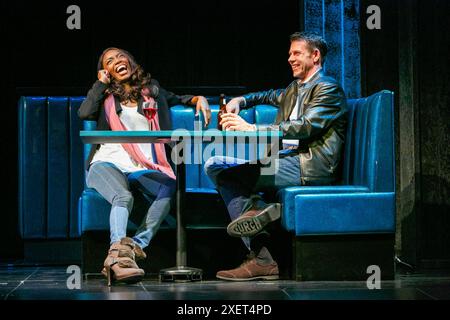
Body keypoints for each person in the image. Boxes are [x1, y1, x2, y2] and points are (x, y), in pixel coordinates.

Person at [204, 32, 347, 281]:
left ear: (315, 56)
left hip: (309, 166)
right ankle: (257, 213)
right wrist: (242, 100)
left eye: (296, 53)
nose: (290, 58)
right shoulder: (294, 89)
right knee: (215, 165)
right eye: (290, 53)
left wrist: (252, 128)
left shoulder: (327, 88)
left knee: (226, 173)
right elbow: (267, 95)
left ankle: (260, 253)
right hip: (286, 160)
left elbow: (306, 126)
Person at [79, 47, 211, 285]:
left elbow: (176, 98)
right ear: (105, 71)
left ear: (131, 62)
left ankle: (133, 247)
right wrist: (100, 84)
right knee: (123, 196)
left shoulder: (153, 91)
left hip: (140, 165)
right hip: (106, 162)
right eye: (110, 61)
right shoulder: (104, 95)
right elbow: (85, 112)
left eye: (121, 56)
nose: (117, 61)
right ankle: (117, 255)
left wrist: (197, 99)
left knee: (170, 184)